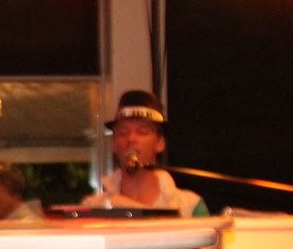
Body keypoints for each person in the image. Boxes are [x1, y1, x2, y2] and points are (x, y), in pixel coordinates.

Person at [83, 90, 210, 218]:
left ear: (160, 143)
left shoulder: (189, 206)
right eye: (123, 132)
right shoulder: (94, 207)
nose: (131, 139)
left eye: (142, 132)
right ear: (114, 144)